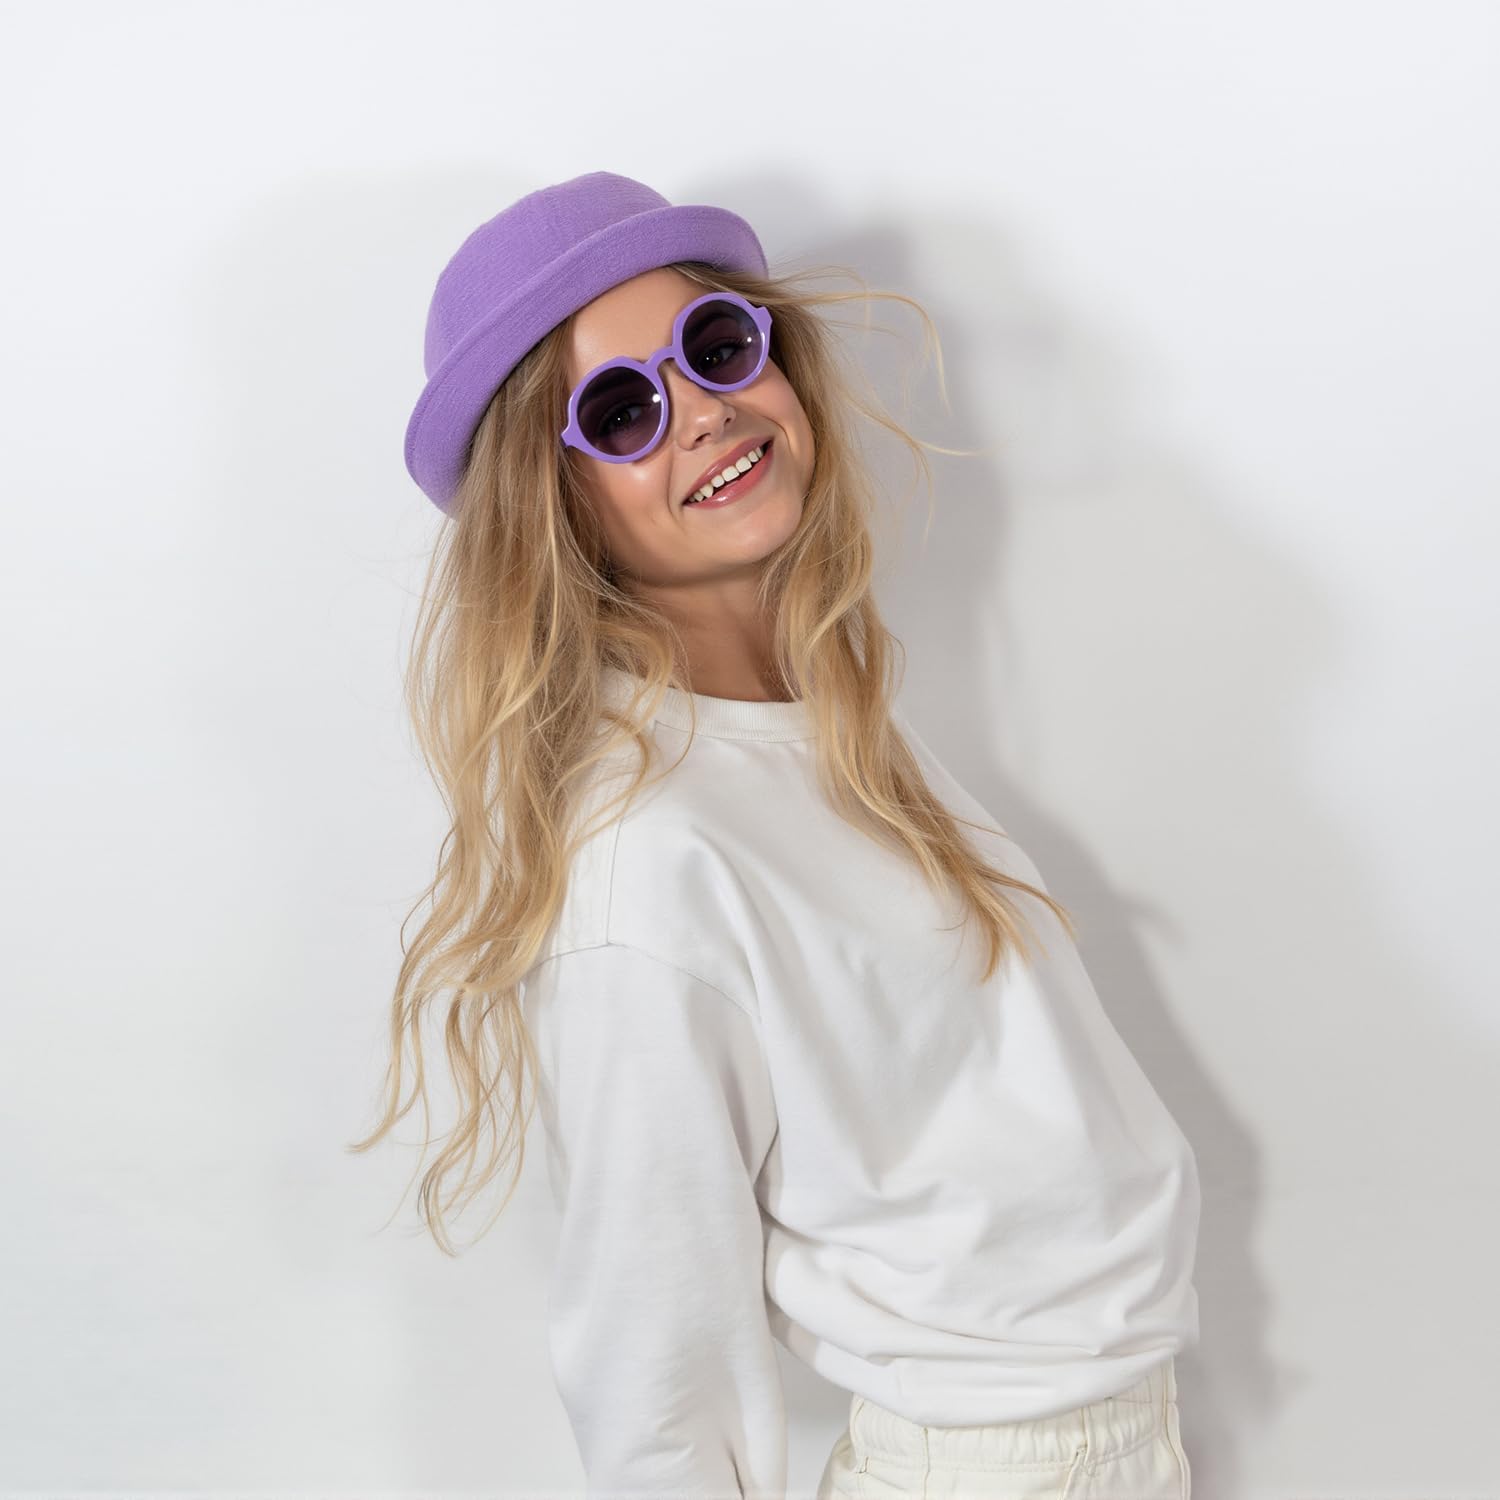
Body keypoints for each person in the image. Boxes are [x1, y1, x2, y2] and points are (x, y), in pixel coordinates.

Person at [351, 170, 1200, 1498]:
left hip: (1105, 1445)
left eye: (715, 345)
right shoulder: (645, 862)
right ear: (553, 502)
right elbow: (653, 1374)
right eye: (621, 410)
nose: (702, 410)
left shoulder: (823, 725)